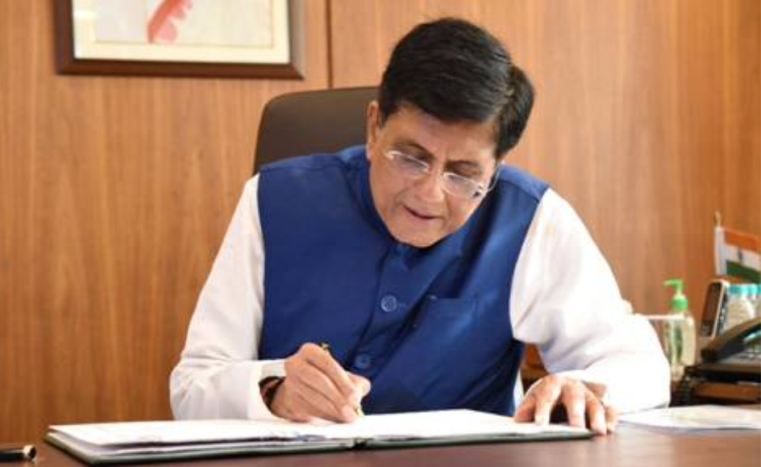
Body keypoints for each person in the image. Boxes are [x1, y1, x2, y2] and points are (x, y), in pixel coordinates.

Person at [170, 18, 669, 435]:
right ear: (373, 128)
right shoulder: (274, 200)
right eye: (411, 157)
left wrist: (583, 387)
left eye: (463, 174)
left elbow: (641, 367)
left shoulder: (532, 218)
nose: (430, 193)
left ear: (494, 168)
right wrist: (272, 391)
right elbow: (192, 386)